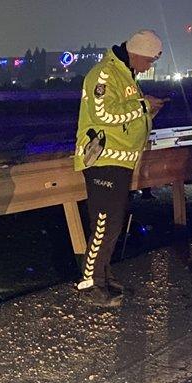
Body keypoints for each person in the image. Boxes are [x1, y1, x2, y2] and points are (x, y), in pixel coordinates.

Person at [72, 29, 166, 307]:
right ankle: (90, 283)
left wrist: (147, 111)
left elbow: (125, 114)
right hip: (104, 160)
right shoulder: (104, 74)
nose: (148, 67)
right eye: (148, 61)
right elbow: (103, 114)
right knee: (103, 223)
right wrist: (143, 106)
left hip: (121, 160)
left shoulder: (125, 75)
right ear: (136, 53)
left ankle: (102, 275)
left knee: (113, 224)